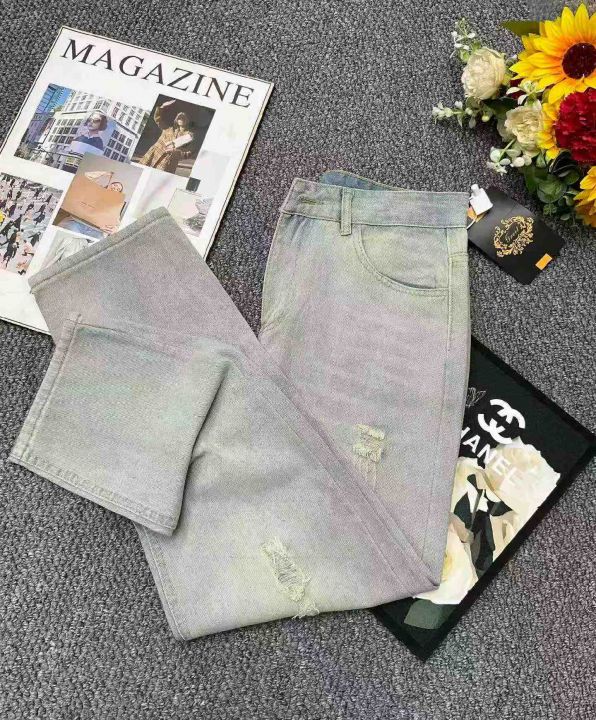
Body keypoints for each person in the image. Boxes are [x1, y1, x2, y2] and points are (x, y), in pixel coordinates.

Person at [57, 172, 125, 239]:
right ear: (109, 184)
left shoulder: (115, 206)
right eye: (115, 185)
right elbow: (86, 177)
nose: (115, 188)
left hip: (97, 231)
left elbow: (116, 223)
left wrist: (115, 229)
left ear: (118, 193)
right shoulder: (94, 190)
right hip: (76, 222)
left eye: (118, 189)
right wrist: (103, 173)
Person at [139, 101, 195, 173]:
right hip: (152, 155)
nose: (181, 120)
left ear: (187, 120)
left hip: (168, 164)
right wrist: (162, 106)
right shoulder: (168, 129)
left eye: (183, 118)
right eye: (179, 118)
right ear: (176, 120)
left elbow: (189, 153)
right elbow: (157, 119)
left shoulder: (189, 136)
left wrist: (175, 152)